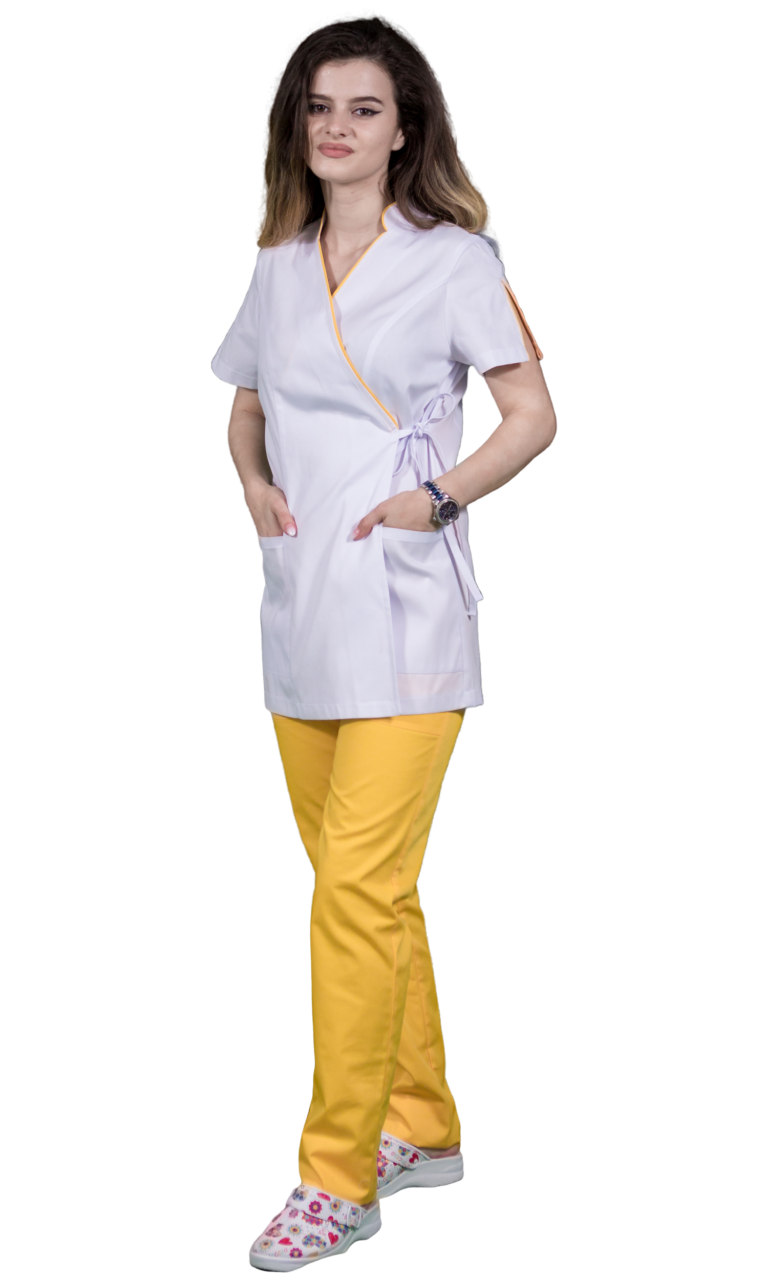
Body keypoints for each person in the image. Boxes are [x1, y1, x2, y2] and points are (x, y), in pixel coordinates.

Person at [211, 13, 557, 1272]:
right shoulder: (277, 264)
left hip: (407, 614)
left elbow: (533, 414)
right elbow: (243, 406)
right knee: (369, 893)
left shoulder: (453, 259)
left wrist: (440, 497)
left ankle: (336, 1178)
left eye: (363, 108)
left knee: (352, 897)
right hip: (300, 611)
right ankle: (425, 1124)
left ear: (405, 128)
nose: (337, 128)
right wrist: (254, 482)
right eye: (319, 107)